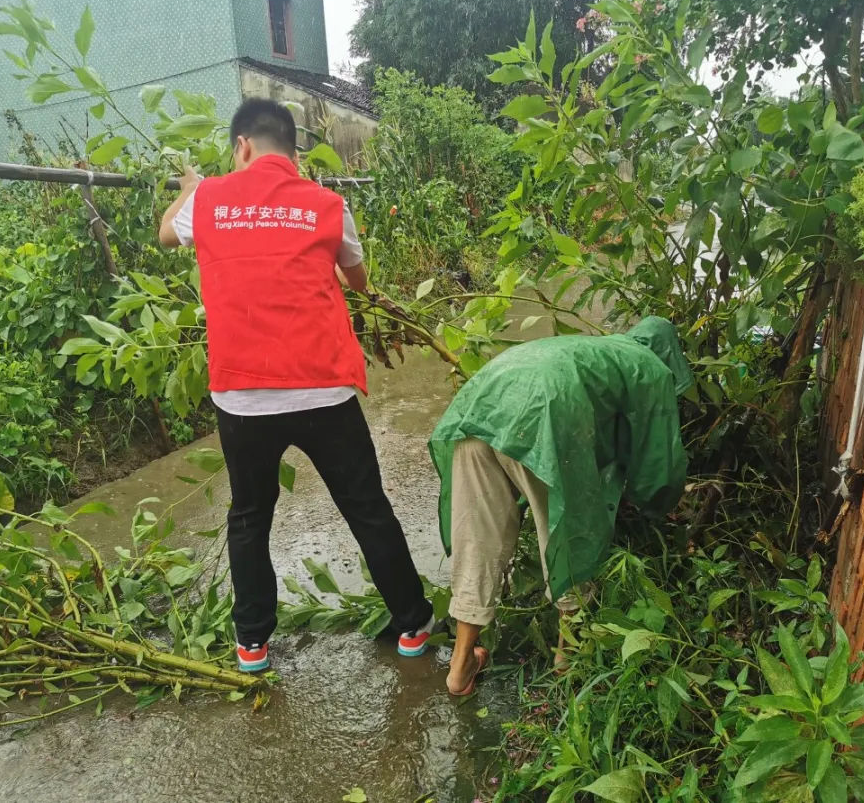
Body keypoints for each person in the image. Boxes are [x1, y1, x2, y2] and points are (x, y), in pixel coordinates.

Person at [159, 98, 436, 672]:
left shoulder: (209, 199)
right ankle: (413, 624)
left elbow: (167, 234)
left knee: (250, 516)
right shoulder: (327, 204)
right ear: (294, 150)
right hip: (323, 391)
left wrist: (192, 185)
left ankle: (253, 644)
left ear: (242, 146)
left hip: (242, 396)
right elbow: (358, 279)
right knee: (366, 508)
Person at [429, 317, 692, 694]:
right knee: (572, 529)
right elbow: (658, 464)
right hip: (543, 415)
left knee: (477, 542)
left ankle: (460, 667)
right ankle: (567, 658)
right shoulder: (651, 368)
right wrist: (658, 511)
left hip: (479, 405)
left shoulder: (597, 351)